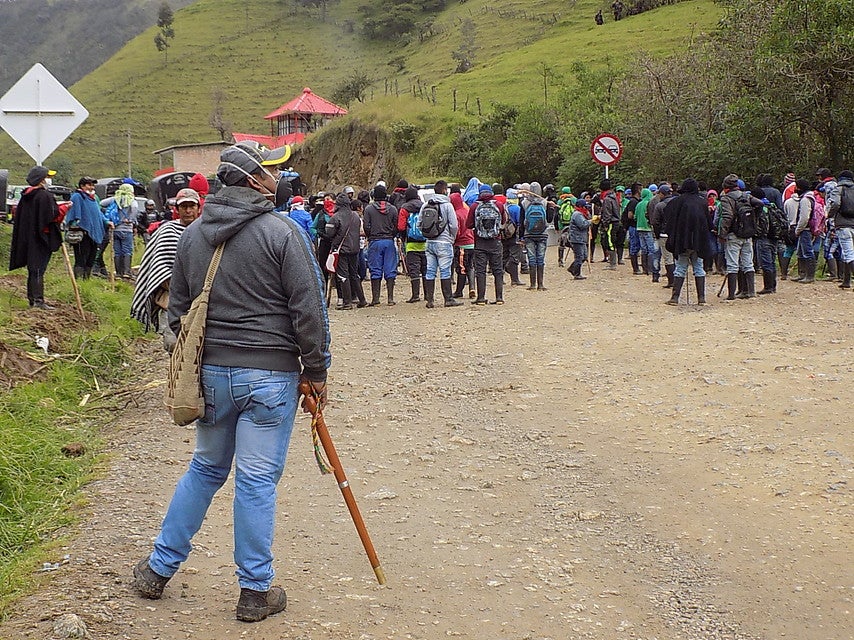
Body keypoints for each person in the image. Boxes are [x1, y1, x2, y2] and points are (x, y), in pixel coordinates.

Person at [132, 143, 331, 623]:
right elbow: (309, 309)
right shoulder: (283, 231)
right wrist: (317, 370)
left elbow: (177, 312)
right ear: (253, 180)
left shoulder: (193, 234)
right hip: (270, 376)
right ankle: (254, 593)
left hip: (211, 376)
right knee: (257, 480)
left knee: (205, 468)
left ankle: (158, 570)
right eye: (270, 171)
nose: (276, 179)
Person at [130, 188, 201, 350]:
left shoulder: (205, 232)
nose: (188, 211)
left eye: (192, 206)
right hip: (172, 301)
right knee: (174, 345)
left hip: (200, 301)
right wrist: (181, 287)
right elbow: (158, 268)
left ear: (198, 208)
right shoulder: (167, 232)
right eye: (184, 207)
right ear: (177, 209)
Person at [9, 165, 62, 309]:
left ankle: (33, 299)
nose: (48, 180)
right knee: (38, 269)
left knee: (33, 269)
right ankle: (38, 301)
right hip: (41, 238)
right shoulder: (45, 196)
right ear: (40, 180)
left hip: (28, 238)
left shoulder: (26, 196)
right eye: (47, 177)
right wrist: (63, 209)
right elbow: (52, 216)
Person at [664, 178, 714, 305]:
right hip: (699, 241)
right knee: (699, 267)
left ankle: (675, 298)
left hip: (682, 241)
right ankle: (701, 299)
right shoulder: (702, 203)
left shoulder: (676, 202)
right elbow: (709, 223)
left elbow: (669, 220)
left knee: (680, 267)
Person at [717, 174, 762, 300]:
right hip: (747, 233)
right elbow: (759, 204)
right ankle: (751, 292)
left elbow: (727, 217)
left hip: (733, 234)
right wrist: (754, 221)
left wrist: (722, 234)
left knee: (732, 264)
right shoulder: (746, 196)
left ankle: (731, 295)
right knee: (748, 263)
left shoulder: (726, 198)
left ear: (726, 187)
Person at [422, 180, 462, 308]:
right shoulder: (447, 205)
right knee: (445, 271)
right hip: (444, 242)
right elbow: (454, 225)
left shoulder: (426, 205)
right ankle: (448, 299)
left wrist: (427, 235)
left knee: (430, 270)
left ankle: (430, 300)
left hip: (429, 242)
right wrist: (452, 238)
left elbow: (419, 224)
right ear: (445, 190)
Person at [467, 184, 507, 305]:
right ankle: (499, 298)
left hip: (480, 242)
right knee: (498, 270)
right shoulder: (498, 205)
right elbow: (504, 221)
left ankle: (481, 298)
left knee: (481, 271)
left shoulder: (475, 206)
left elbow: (468, 224)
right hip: (495, 241)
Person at [329, 192, 367, 309]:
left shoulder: (336, 217)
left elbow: (329, 233)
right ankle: (362, 299)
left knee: (343, 275)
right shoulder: (355, 216)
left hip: (342, 250)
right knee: (354, 275)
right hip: (355, 249)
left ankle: (347, 302)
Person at [363, 183, 399, 306]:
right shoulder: (393, 209)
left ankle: (376, 299)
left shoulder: (369, 209)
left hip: (375, 241)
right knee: (390, 269)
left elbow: (366, 226)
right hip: (389, 241)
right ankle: (390, 298)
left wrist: (370, 236)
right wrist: (391, 235)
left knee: (375, 269)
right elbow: (396, 226)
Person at [66, 176, 106, 279]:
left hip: (93, 234)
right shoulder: (77, 197)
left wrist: (107, 222)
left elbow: (98, 213)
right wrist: (77, 225)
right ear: (82, 186)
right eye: (89, 184)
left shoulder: (93, 198)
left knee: (91, 259)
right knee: (81, 259)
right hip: (82, 234)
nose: (92, 187)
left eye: (93, 185)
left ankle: (86, 279)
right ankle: (79, 281)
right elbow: (73, 215)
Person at [397, 185, 427, 303]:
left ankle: (415, 295)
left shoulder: (405, 208)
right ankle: (428, 294)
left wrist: (403, 237)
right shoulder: (424, 206)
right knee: (425, 269)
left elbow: (401, 226)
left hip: (411, 244)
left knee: (414, 269)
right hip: (426, 243)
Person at [102, 182, 138, 279]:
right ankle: (126, 272)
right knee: (127, 250)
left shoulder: (115, 199)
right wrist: (130, 219)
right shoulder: (131, 200)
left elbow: (102, 203)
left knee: (117, 251)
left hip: (115, 228)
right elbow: (135, 208)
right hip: (127, 229)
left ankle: (118, 273)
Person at [827, 170, 854, 288]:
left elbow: (836, 204)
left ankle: (847, 280)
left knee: (848, 254)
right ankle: (846, 281)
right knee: (848, 254)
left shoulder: (838, 189)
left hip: (843, 224)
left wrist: (830, 214)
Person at [451, 190, 475, 299]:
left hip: (462, 245)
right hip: (472, 243)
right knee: (470, 266)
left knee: (461, 268)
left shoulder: (456, 214)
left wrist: (453, 240)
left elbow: (457, 231)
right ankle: (472, 287)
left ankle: (459, 291)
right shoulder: (467, 210)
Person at [567, 198, 591, 280]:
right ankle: (577, 274)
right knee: (579, 257)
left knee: (584, 256)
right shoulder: (577, 215)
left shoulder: (581, 214)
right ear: (581, 206)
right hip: (577, 239)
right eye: (585, 207)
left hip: (581, 238)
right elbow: (582, 225)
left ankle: (572, 268)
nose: (586, 208)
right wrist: (591, 221)